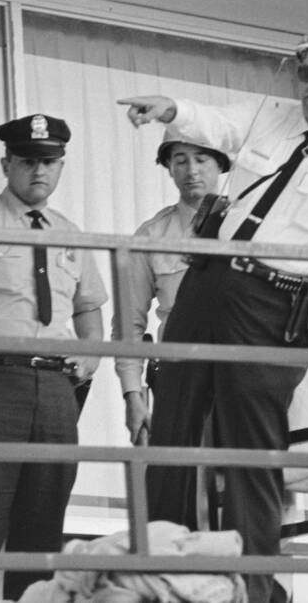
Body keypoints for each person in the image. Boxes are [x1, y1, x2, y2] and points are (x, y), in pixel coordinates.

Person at [118, 13, 308, 603]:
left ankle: (250, 590)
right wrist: (170, 108)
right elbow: (217, 123)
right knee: (173, 433)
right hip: (208, 282)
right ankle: (161, 575)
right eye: (305, 72)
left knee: (249, 452)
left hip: (272, 302)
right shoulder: (272, 116)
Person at [0, 113, 108, 600]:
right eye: (27, 161)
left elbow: (89, 308)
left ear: (61, 167)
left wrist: (91, 356)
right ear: (6, 164)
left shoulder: (69, 232)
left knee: (44, 512)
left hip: (54, 387)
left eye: (49, 162)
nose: (39, 171)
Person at [112, 129, 230, 445]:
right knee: (179, 471)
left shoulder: (254, 227)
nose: (191, 170)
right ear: (169, 168)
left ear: (220, 164)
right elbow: (128, 323)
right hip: (181, 376)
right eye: (180, 161)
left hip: (243, 375)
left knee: (247, 470)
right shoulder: (152, 236)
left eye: (201, 159)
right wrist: (133, 394)